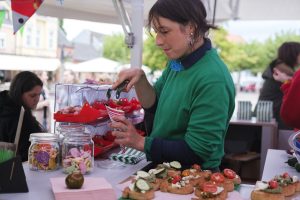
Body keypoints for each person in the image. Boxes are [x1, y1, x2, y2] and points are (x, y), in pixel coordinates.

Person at [109, 0, 235, 171]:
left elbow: (197, 151)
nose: (158, 41)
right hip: (166, 169)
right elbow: (154, 104)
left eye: (164, 31)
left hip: (193, 177)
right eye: (156, 33)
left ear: (191, 27)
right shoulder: (178, 62)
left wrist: (139, 142)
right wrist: (140, 78)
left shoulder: (212, 79)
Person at [0, 71, 45, 161]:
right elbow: (28, 154)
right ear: (19, 93)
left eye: (39, 94)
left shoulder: (4, 105)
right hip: (16, 170)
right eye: (32, 95)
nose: (37, 99)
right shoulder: (19, 117)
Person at [256, 41, 300, 129]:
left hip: (267, 113)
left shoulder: (278, 66)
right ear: (293, 54)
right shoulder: (284, 70)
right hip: (274, 116)